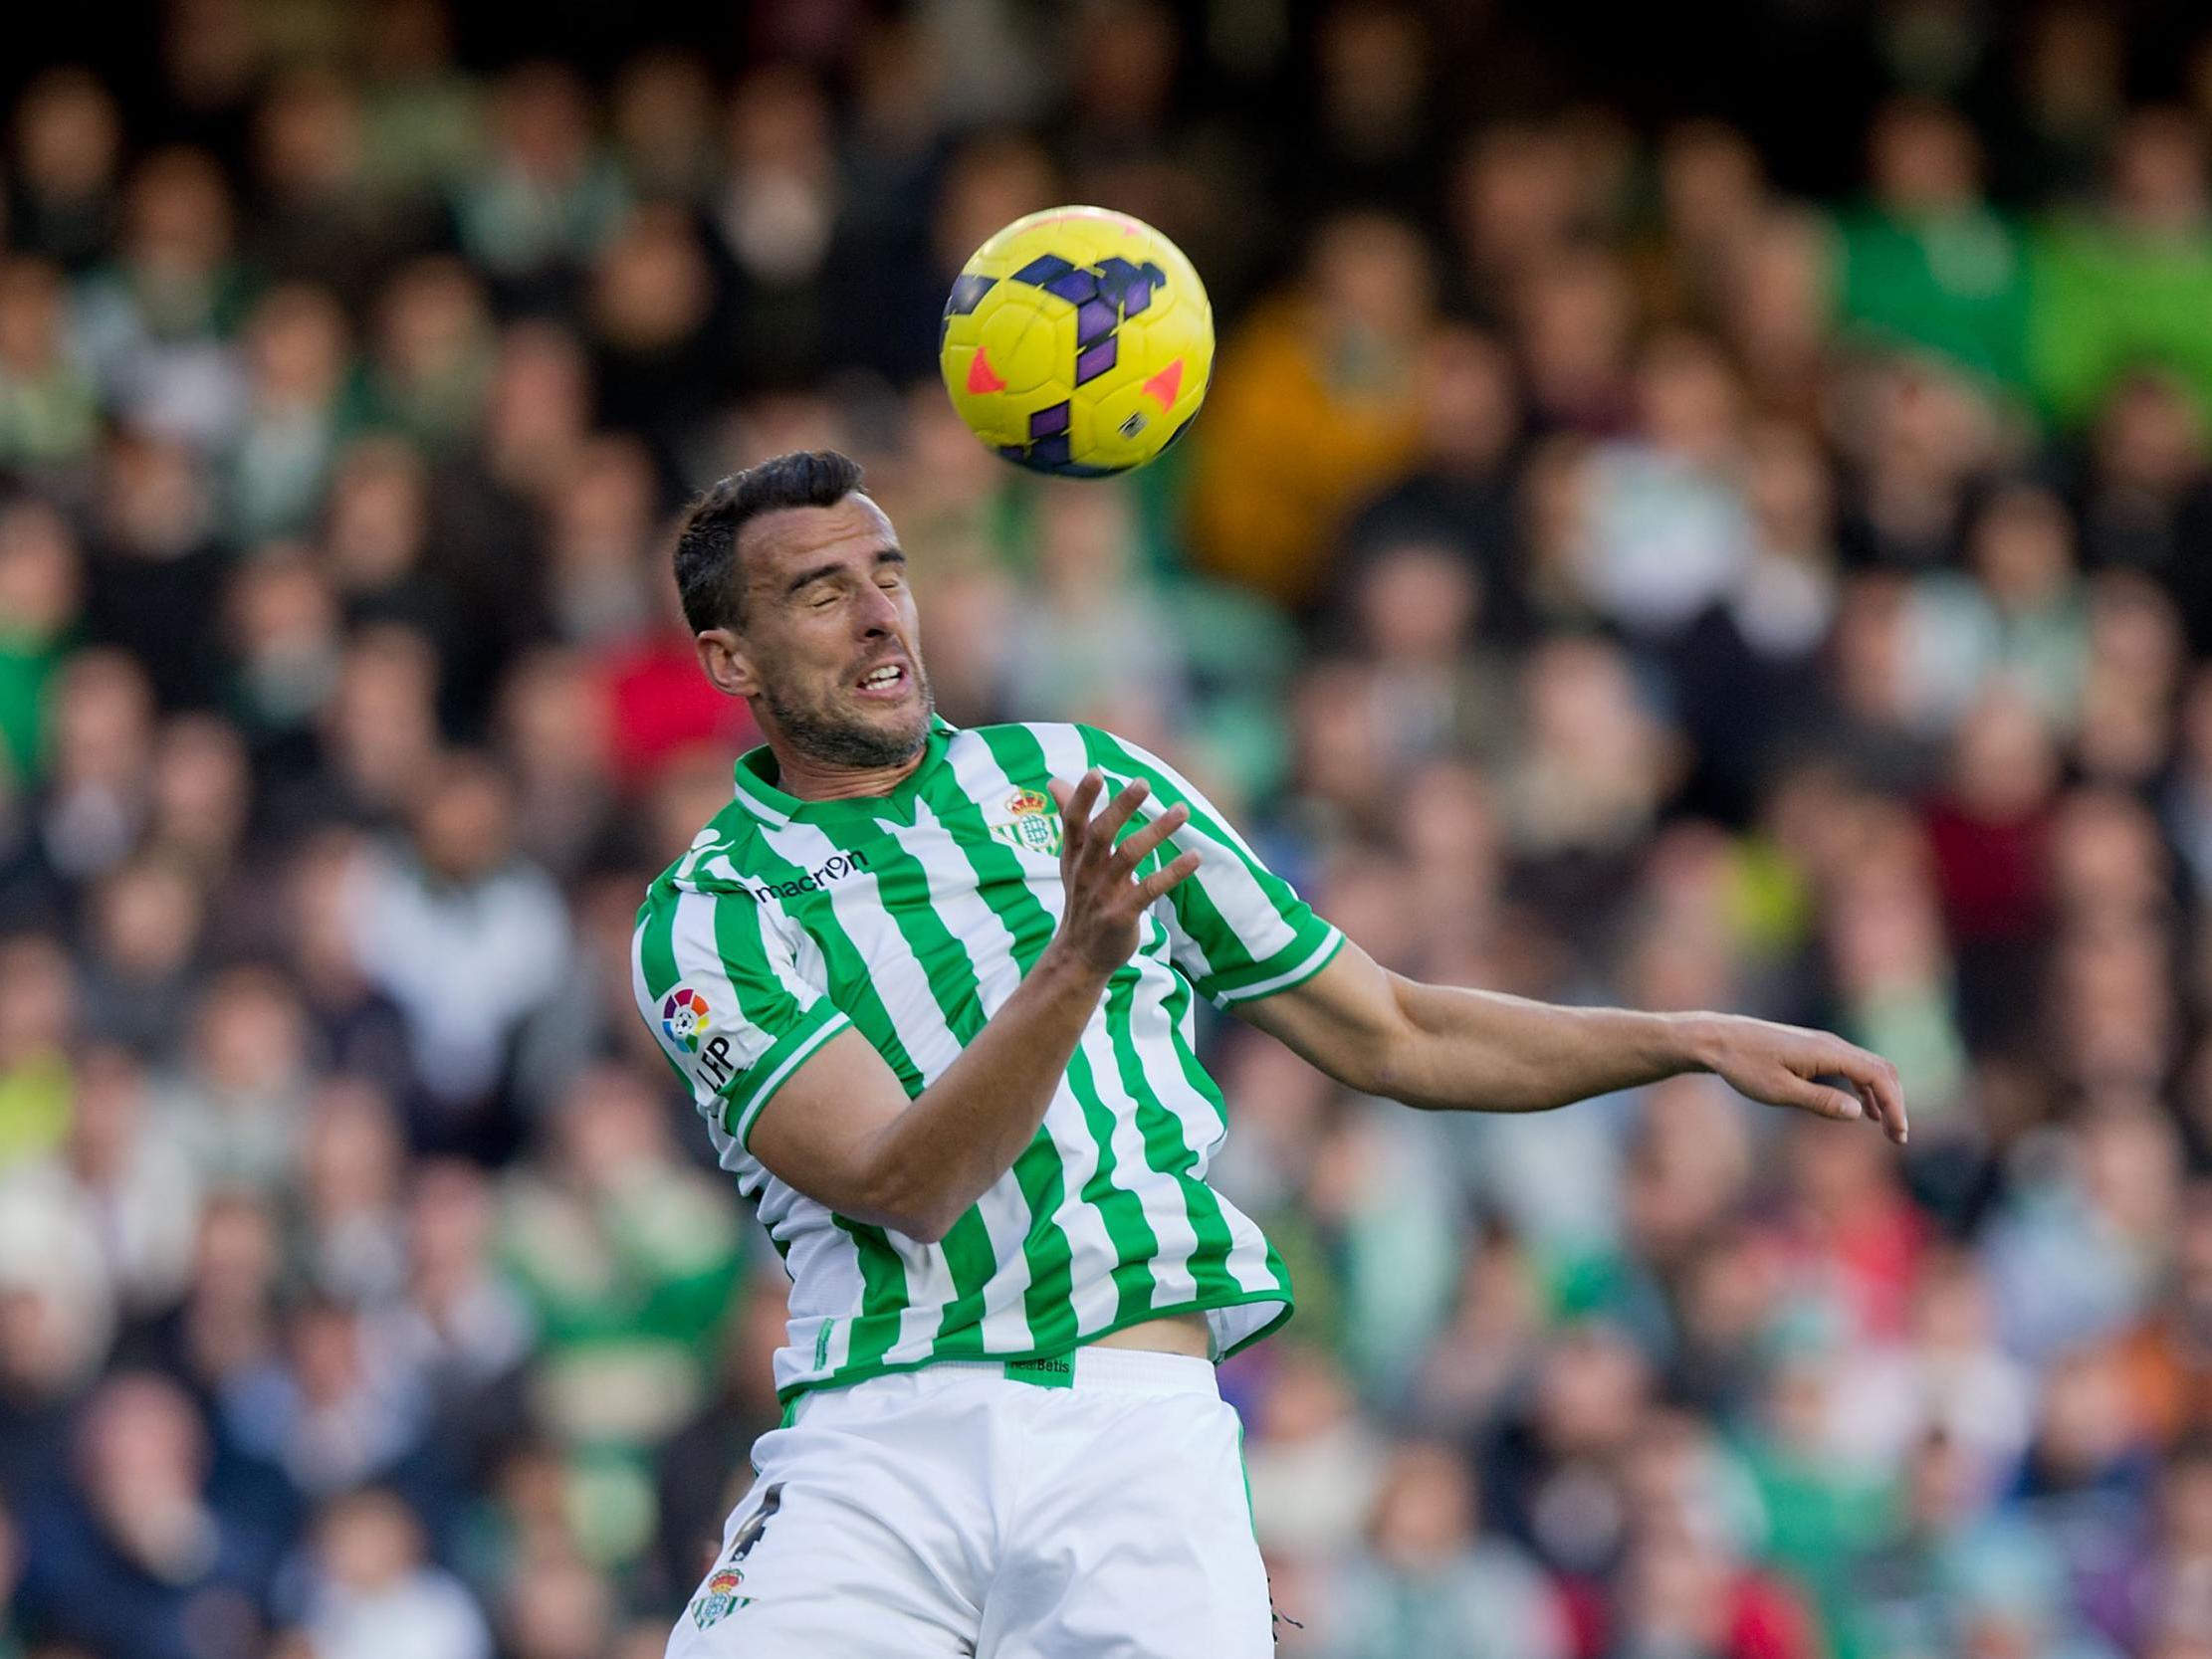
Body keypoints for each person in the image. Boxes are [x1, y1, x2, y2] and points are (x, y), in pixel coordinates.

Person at [630, 449, 1909, 1658]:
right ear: (728, 655)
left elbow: (1391, 1027)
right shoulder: (712, 911)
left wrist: (1683, 1037)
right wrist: (1075, 963)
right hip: (878, 1434)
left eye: (888, 572)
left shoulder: (1080, 777)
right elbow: (901, 1181)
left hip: (1130, 1430)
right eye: (819, 589)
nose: (874, 615)